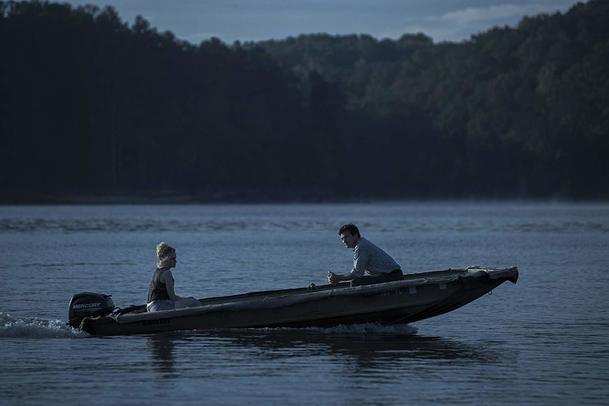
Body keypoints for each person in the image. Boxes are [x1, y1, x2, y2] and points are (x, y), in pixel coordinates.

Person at [328, 224, 403, 287]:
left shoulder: (361, 247)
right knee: (358, 281)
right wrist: (338, 278)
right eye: (342, 239)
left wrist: (338, 278)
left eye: (346, 237)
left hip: (393, 277)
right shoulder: (360, 245)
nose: (344, 241)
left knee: (356, 283)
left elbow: (357, 274)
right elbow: (356, 272)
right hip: (389, 276)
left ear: (355, 235)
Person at [146, 242, 201, 312]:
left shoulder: (158, 271)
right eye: (172, 258)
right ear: (163, 259)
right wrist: (189, 299)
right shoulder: (167, 273)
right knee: (195, 302)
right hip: (159, 307)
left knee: (190, 300)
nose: (175, 261)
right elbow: (173, 298)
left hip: (151, 307)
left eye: (175, 258)